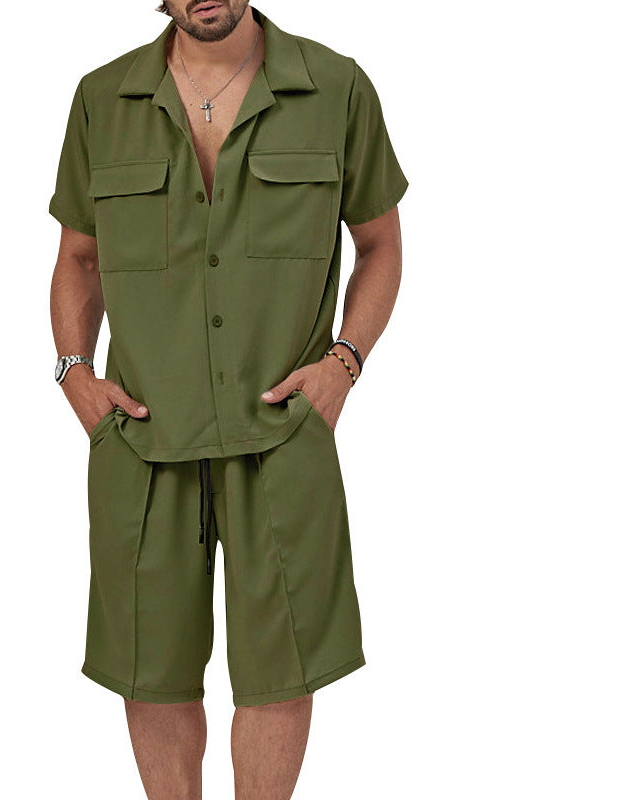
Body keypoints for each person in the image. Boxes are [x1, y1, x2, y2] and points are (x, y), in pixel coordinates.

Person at [48, 2, 407, 797]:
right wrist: (74, 370)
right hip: (144, 435)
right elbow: (78, 256)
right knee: (153, 673)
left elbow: (381, 242)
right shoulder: (102, 100)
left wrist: (343, 364)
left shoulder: (337, 88)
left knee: (281, 671)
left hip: (282, 432)